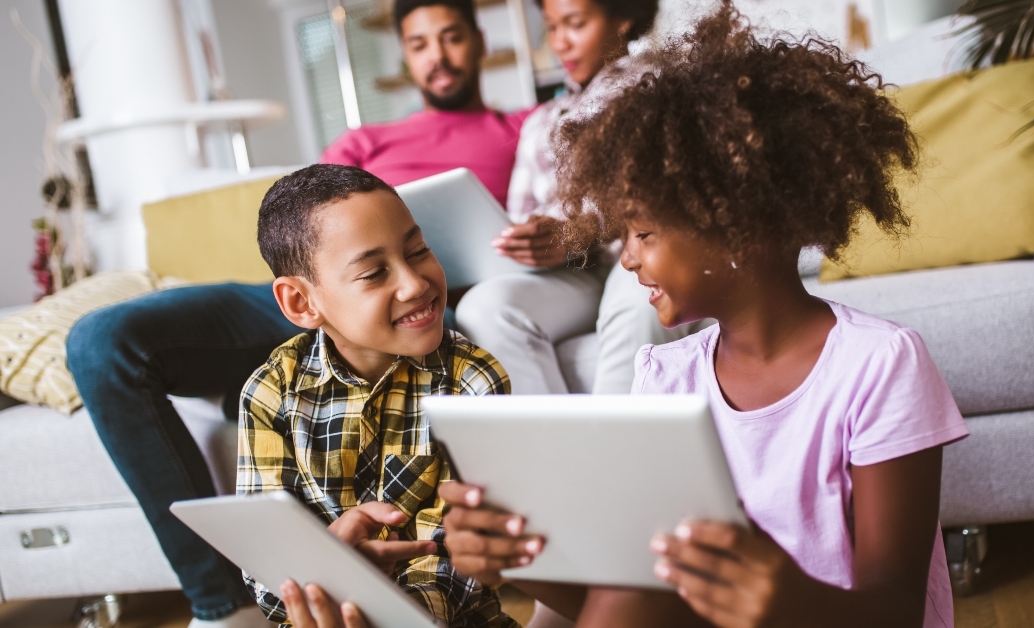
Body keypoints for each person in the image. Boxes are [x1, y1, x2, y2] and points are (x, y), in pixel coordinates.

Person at [438, 4, 968, 627]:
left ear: (739, 225)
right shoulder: (665, 375)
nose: (628, 258)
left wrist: (785, 601)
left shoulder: (878, 365)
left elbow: (897, 609)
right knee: (630, 593)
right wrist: (522, 558)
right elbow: (625, 601)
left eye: (642, 232)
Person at [64, 1, 528, 625]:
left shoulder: (518, 130)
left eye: (451, 37)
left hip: (398, 300)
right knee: (101, 338)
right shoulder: (369, 140)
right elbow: (305, 211)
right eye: (419, 42)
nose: (437, 54)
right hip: (320, 285)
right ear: (403, 54)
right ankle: (222, 610)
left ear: (477, 41)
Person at [239, 164, 515, 626]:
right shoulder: (270, 393)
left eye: (419, 251)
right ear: (301, 303)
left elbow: (464, 557)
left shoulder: (474, 381)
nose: (414, 284)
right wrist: (328, 576)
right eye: (373, 273)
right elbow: (266, 561)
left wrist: (383, 609)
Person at [455, 0, 712, 396]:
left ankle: (610, 447)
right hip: (572, 273)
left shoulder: (659, 88)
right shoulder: (542, 121)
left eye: (575, 24)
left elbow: (664, 195)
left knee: (638, 293)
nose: (561, 43)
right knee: (483, 307)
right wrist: (527, 239)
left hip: (635, 254)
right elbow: (523, 214)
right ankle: (552, 452)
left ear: (623, 18)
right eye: (552, 27)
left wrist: (578, 232)